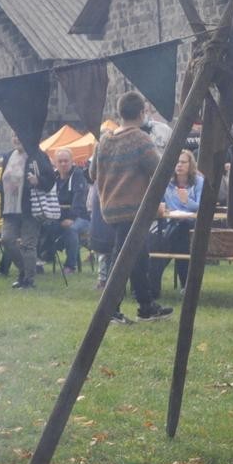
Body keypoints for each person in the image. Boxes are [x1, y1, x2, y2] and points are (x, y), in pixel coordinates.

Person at [95, 91, 173, 322]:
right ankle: (110, 309)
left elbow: (92, 172)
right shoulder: (140, 139)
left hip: (109, 207)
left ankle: (146, 306)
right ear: (142, 113)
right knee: (123, 258)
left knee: (139, 256)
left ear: (120, 113)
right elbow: (159, 172)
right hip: (132, 208)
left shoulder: (105, 140)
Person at [0, 137, 53, 288]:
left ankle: (28, 280)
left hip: (30, 208)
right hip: (10, 209)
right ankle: (25, 269)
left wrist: (38, 181)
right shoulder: (8, 156)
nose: (16, 138)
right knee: (7, 239)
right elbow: (6, 182)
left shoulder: (37, 155)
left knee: (28, 245)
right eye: (14, 135)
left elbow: (51, 180)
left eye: (19, 135)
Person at [149, 149, 204, 295]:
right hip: (171, 223)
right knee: (177, 242)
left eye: (183, 162)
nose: (179, 165)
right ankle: (185, 285)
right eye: (177, 162)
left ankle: (153, 288)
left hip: (193, 224)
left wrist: (187, 201)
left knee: (167, 242)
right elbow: (159, 203)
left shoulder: (198, 182)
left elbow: (202, 206)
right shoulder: (168, 183)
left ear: (190, 164)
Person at [47, 148, 90, 273]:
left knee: (71, 229)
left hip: (81, 218)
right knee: (45, 226)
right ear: (55, 163)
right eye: (60, 161)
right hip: (58, 217)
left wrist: (71, 218)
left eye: (66, 161)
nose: (63, 164)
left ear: (72, 161)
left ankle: (70, 266)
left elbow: (79, 199)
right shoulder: (54, 177)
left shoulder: (78, 175)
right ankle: (42, 257)